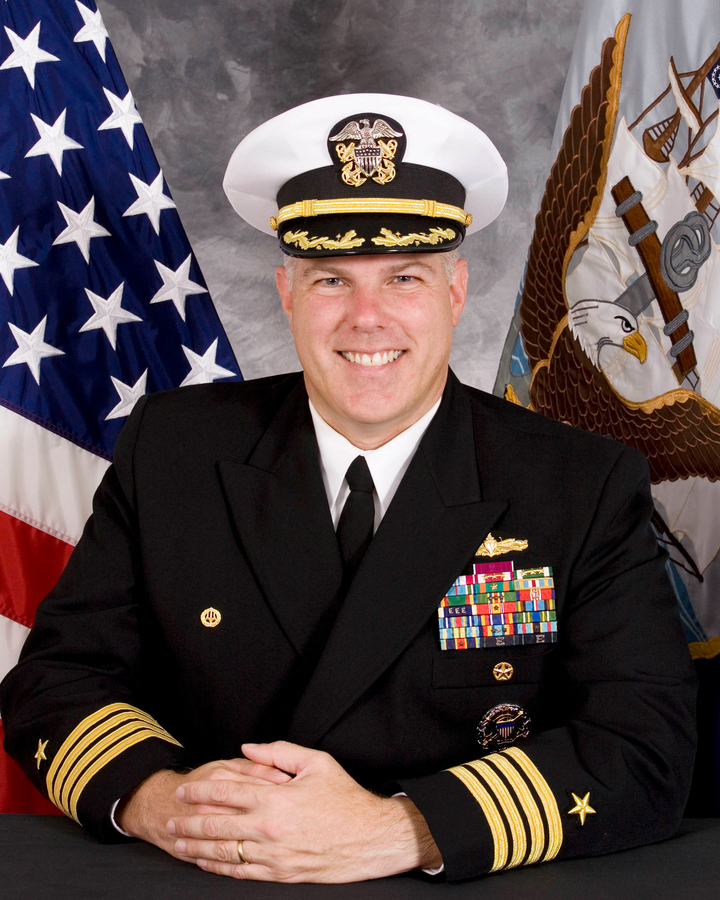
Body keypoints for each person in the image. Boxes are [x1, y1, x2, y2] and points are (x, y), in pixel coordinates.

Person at [0, 93, 696, 884]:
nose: (368, 318)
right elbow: (55, 680)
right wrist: (167, 803)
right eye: (331, 279)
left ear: (456, 291)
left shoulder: (577, 483)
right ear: (287, 293)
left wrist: (402, 830)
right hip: (214, 876)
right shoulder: (173, 450)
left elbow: (647, 745)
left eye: (405, 277)